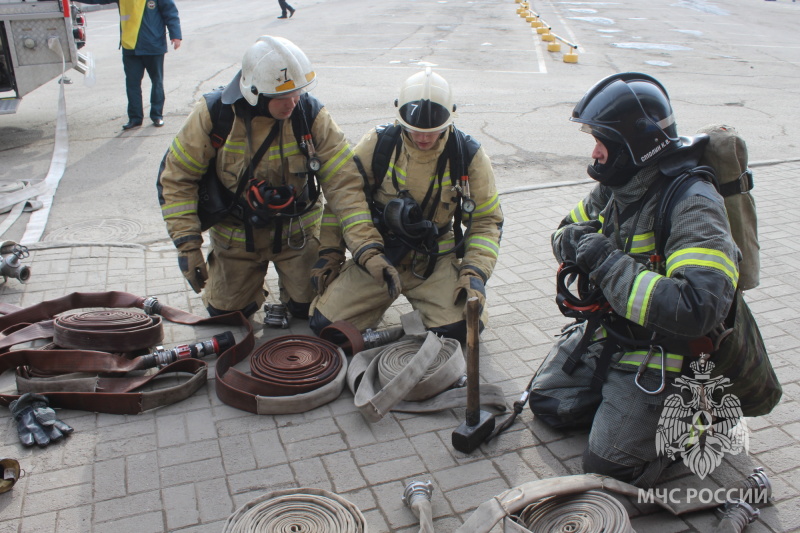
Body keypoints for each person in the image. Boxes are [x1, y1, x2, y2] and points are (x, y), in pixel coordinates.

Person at [528, 72, 740, 488]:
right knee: (550, 404)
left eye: (602, 141)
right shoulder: (618, 185)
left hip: (667, 352)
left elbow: (696, 307)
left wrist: (604, 261)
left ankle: (700, 420)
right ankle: (624, 405)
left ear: (634, 146)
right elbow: (563, 232)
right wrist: (573, 242)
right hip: (615, 333)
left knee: (608, 466)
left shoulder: (693, 203)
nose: (595, 151)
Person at [157, 35, 398, 319]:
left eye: (297, 93)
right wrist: (188, 245)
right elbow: (177, 179)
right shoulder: (215, 114)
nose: (293, 103)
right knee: (225, 313)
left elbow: (345, 183)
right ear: (254, 93)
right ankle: (247, 290)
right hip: (237, 242)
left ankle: (292, 294)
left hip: (297, 239)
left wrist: (366, 248)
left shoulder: (310, 113)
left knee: (305, 310)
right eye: (283, 97)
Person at [308, 68, 503, 344]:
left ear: (450, 117)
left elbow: (486, 222)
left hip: (432, 260)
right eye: (414, 130)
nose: (423, 137)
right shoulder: (378, 144)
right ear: (399, 114)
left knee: (463, 330)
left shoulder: (468, 155)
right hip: (379, 258)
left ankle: (426, 316)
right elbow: (344, 202)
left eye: (433, 131)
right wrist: (332, 254)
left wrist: (474, 273)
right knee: (325, 326)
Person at [77, 0, 181, 130]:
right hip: (130, 47)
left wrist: (176, 35)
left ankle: (157, 115)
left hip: (153, 45)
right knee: (132, 84)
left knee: (157, 81)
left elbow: (170, 13)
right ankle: (135, 118)